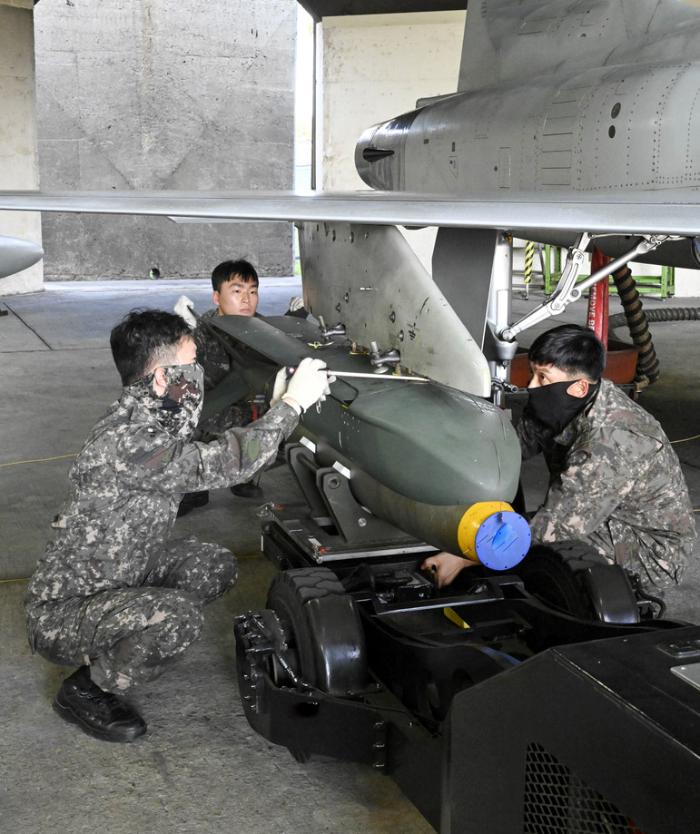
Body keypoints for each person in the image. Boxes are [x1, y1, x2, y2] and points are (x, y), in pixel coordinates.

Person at [25, 309, 330, 742]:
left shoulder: (151, 415)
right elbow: (223, 463)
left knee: (213, 565)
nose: (200, 375)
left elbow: (209, 434)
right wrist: (293, 405)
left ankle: (123, 633)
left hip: (122, 572)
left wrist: (276, 405)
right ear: (163, 378)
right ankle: (88, 688)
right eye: (192, 365)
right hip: (63, 612)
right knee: (179, 618)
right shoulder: (127, 441)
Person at [423, 324, 696, 592]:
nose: (530, 386)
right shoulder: (559, 403)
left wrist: (465, 557)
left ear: (578, 387)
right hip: (601, 517)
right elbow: (508, 452)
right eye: (532, 373)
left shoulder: (612, 440)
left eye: (543, 377)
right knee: (515, 529)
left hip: (652, 550)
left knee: (543, 546)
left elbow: (558, 526)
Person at [174, 259, 306, 513]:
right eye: (237, 291)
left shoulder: (262, 330)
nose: (247, 300)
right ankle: (192, 489)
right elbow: (194, 409)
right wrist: (257, 420)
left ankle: (245, 474)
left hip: (245, 412)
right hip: (207, 418)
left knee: (287, 432)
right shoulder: (200, 339)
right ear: (216, 297)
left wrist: (292, 324)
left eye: (253, 291)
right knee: (180, 424)